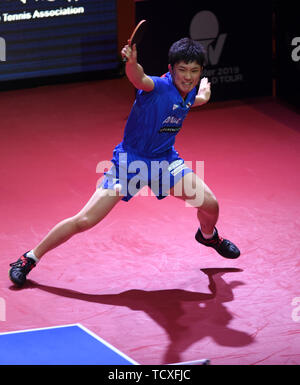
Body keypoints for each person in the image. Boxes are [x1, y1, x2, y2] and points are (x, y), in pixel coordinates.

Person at [9, 38, 240, 287]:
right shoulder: (158, 87)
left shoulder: (191, 90)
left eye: (194, 71)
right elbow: (138, 78)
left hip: (164, 162)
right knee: (85, 220)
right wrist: (131, 63)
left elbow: (190, 101)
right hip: (131, 165)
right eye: (182, 70)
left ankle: (208, 236)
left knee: (210, 205)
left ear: (201, 72)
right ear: (171, 69)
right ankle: (28, 258)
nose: (188, 76)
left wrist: (204, 96)